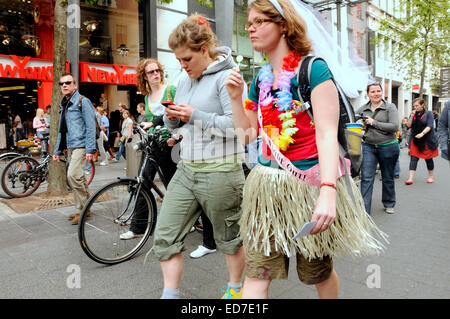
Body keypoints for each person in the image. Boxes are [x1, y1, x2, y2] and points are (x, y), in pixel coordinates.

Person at [225, 0, 387, 299]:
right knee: (257, 274)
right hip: (266, 189)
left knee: (318, 274)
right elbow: (247, 135)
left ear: (284, 25)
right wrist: (236, 98)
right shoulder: (259, 79)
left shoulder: (313, 69)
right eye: (249, 22)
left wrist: (328, 191)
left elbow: (326, 133)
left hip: (307, 188)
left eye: (260, 21)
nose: (250, 27)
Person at [151, 14, 247, 299]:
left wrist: (196, 115)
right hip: (186, 169)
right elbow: (180, 124)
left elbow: (238, 129)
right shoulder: (183, 79)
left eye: (187, 59)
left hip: (221, 172)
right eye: (179, 60)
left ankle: (235, 290)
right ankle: (170, 295)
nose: (182, 65)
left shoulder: (227, 77)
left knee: (229, 240)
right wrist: (172, 118)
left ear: (204, 51)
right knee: (165, 236)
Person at [119, 57, 179, 240]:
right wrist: (145, 126)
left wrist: (153, 122)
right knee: (142, 182)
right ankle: (138, 227)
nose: (155, 74)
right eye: (151, 72)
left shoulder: (170, 90)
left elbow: (176, 113)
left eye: (157, 70)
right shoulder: (147, 97)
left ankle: (188, 220)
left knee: (174, 185)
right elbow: (151, 123)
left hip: (170, 144)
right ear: (144, 76)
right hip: (153, 144)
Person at [53, 72, 97, 225]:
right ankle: (85, 209)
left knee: (72, 176)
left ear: (75, 85)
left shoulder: (82, 101)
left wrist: (91, 149)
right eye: (62, 83)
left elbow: (91, 126)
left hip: (81, 145)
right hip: (70, 146)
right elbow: (61, 129)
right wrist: (57, 150)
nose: (64, 85)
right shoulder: (64, 103)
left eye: (68, 82)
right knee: (80, 178)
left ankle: (83, 209)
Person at [357, 82, 399, 214]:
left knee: (387, 177)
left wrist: (373, 122)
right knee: (366, 178)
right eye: (373, 92)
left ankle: (389, 202)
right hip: (369, 146)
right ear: (368, 94)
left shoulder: (390, 107)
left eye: (378, 91)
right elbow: (352, 119)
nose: (376, 94)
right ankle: (364, 209)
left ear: (382, 92)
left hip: (388, 146)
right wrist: (359, 123)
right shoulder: (363, 109)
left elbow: (394, 126)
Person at [404, 98, 439, 184]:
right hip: (415, 139)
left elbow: (430, 125)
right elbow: (408, 125)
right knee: (413, 158)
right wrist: (411, 116)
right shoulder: (413, 114)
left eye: (417, 105)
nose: (415, 107)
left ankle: (430, 176)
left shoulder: (429, 113)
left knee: (428, 159)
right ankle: (410, 178)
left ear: (422, 105)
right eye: (414, 106)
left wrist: (422, 133)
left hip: (427, 140)